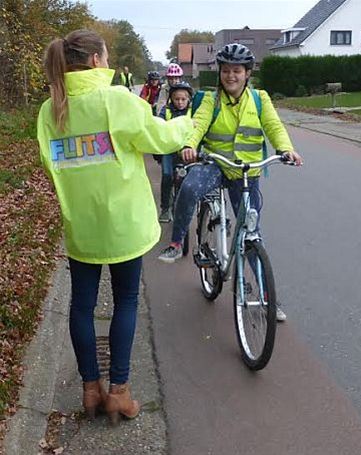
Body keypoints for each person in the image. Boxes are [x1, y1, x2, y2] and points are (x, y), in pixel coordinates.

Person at [37, 29, 193, 424]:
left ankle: (91, 391)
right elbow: (159, 139)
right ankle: (119, 393)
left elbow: (51, 167)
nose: (106, 64)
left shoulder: (49, 110)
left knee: (81, 307)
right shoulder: (117, 100)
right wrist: (188, 124)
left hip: (81, 227)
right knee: (125, 302)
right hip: (123, 225)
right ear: (94, 60)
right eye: (105, 57)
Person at [158, 43, 303, 322]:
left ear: (247, 73)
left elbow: (273, 126)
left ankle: (268, 300)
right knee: (188, 187)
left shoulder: (260, 99)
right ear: (220, 73)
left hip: (246, 171)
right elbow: (197, 124)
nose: (231, 76)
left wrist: (286, 149)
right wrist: (189, 145)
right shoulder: (210, 100)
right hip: (215, 164)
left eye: (237, 71)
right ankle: (177, 243)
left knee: (251, 235)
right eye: (226, 71)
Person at [158, 81, 194, 223]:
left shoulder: (193, 112)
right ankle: (165, 208)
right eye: (176, 99)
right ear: (171, 99)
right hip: (169, 150)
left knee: (185, 180)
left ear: (189, 99)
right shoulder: (166, 111)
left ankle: (182, 207)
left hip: (185, 151)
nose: (180, 102)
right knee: (167, 176)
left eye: (183, 99)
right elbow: (159, 125)